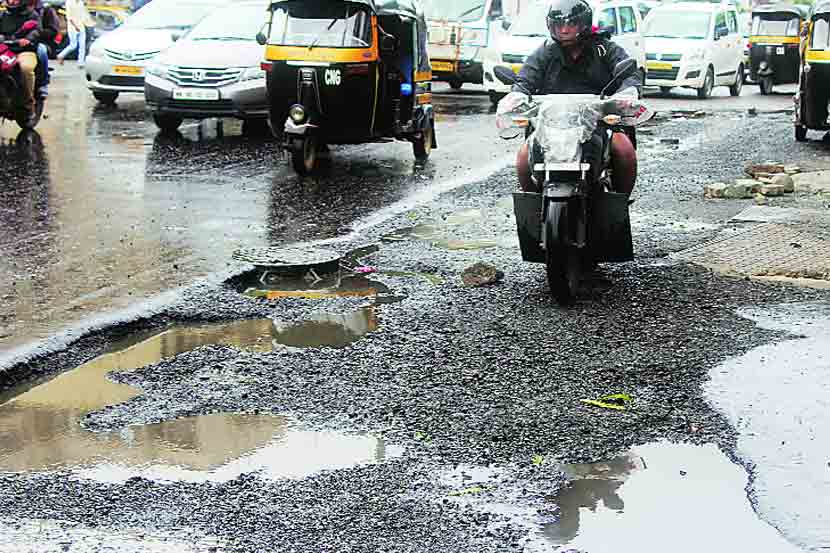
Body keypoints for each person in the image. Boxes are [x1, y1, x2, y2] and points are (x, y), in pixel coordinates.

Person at [504, 0, 640, 195]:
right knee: (523, 158)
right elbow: (526, 77)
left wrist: (627, 93)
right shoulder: (546, 52)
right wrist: (516, 94)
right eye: (559, 25)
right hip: (552, 122)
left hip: (599, 120)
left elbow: (629, 74)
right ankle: (533, 202)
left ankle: (621, 200)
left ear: (584, 24)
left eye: (571, 24)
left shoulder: (604, 48)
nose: (565, 30)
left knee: (624, 149)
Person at [0, 0, 42, 124]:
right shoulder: (2, 16)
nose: (12, 1)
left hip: (23, 51)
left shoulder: (32, 15)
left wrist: (28, 39)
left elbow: (36, 30)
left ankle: (29, 104)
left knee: (25, 68)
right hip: (4, 51)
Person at [57, 0, 91, 68]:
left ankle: (80, 63)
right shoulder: (69, 2)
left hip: (81, 26)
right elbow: (69, 17)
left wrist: (87, 22)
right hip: (72, 28)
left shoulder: (81, 3)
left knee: (82, 46)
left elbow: (83, 14)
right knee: (73, 45)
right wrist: (76, 26)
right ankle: (60, 55)